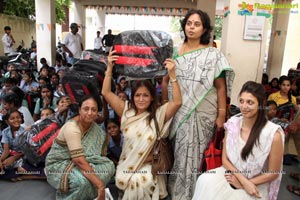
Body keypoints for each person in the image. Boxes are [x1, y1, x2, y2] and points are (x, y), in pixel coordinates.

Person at [161, 9, 234, 199]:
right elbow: (166, 81)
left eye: (197, 24)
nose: (191, 27)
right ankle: (177, 193)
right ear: (184, 26)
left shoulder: (213, 55)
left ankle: (196, 194)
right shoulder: (174, 52)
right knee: (178, 155)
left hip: (203, 115)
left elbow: (220, 87)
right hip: (179, 112)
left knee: (199, 158)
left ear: (205, 29)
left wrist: (221, 115)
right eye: (189, 23)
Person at [102, 49, 182, 199]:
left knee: (139, 181)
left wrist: (172, 75)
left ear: (152, 98)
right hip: (128, 164)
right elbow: (106, 93)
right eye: (138, 95)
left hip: (149, 165)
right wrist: (109, 68)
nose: (141, 99)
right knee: (127, 179)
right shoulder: (127, 112)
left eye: (145, 95)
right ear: (133, 97)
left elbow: (177, 102)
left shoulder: (158, 114)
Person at [192, 81, 284, 200]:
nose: (244, 106)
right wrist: (242, 180)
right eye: (241, 101)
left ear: (260, 104)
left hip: (257, 181)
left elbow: (273, 173)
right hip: (232, 173)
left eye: (250, 102)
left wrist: (246, 183)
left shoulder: (273, 134)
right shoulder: (232, 125)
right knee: (204, 180)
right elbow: (225, 160)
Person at [45, 95, 115, 200]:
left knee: (109, 167)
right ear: (79, 110)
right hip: (60, 165)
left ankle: (90, 193)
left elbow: (98, 155)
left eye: (94, 110)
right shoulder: (72, 128)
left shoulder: (94, 127)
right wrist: (100, 185)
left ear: (97, 113)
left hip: (82, 161)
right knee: (82, 182)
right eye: (86, 109)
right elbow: (78, 160)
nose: (90, 113)